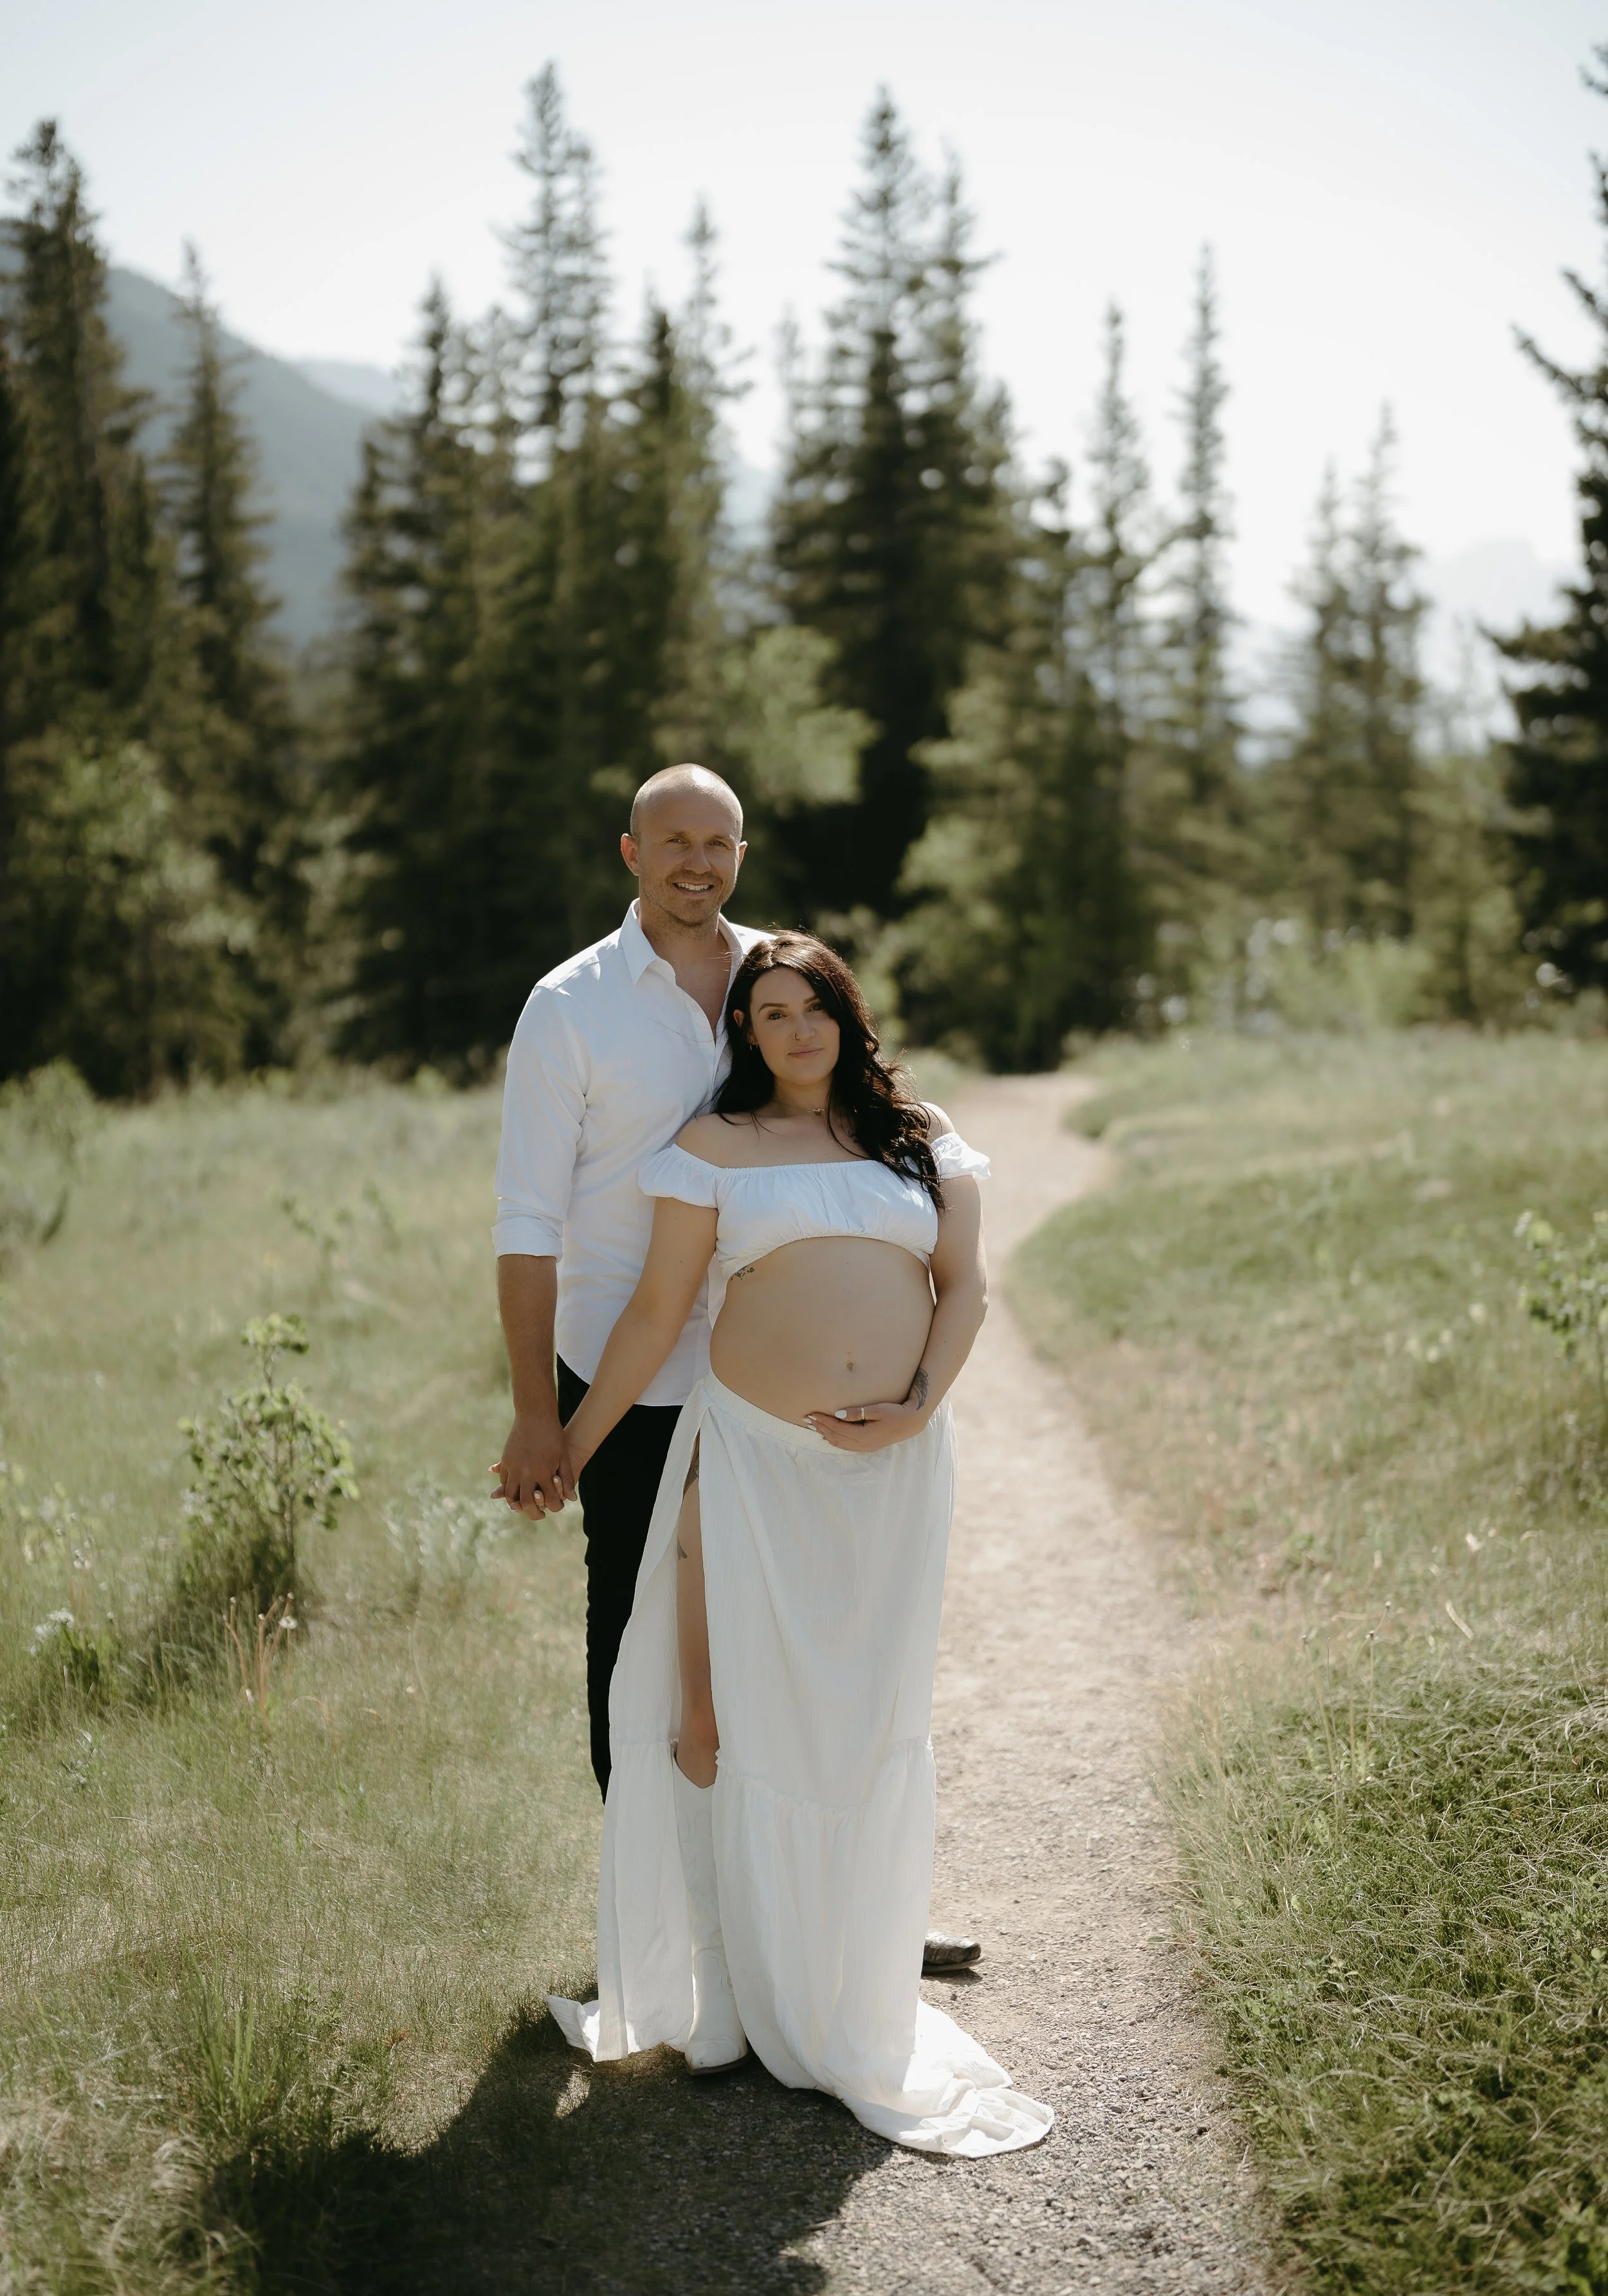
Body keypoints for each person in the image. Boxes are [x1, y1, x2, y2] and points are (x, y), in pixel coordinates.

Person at [545, 932, 1052, 2156]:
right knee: (747, 1719)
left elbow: (967, 1285)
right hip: (759, 1458)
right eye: (769, 1014)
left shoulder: (921, 1139)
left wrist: (920, 1399)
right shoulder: (715, 1148)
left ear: (845, 1014)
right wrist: (569, 1441)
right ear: (748, 1036)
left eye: (812, 1005)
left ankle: (851, 1984)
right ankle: (749, 1992)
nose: (796, 1030)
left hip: (892, 1472)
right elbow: (659, 1308)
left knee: (868, 1717)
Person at [491, 765, 981, 1974]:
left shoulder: (782, 978)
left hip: (775, 1395)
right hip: (636, 1369)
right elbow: (526, 1224)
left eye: (719, 841)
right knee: (645, 1649)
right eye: (674, 841)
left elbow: (860, 1128)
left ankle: (851, 1908)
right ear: (631, 852)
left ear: (742, 854)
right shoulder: (571, 1007)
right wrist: (538, 1418)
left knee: (816, 1634)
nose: (696, 861)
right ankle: (674, 1932)